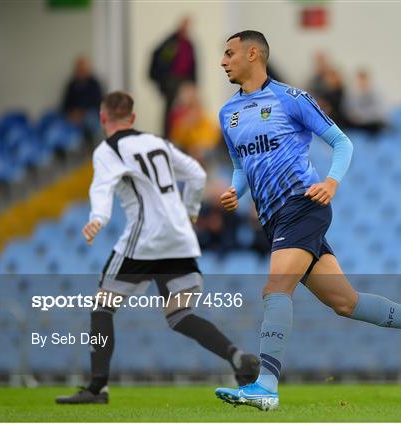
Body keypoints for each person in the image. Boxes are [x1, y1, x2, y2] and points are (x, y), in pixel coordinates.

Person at [214, 31, 401, 411]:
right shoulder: (227, 113)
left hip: (303, 205)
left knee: (275, 289)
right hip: (274, 219)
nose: (223, 61)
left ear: (254, 54)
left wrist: (331, 182)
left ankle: (265, 384)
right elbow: (241, 165)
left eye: (230, 53)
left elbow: (342, 142)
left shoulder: (291, 98)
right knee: (346, 303)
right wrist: (237, 191)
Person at [56, 91, 259, 404]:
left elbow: (102, 188)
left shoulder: (108, 149)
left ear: (103, 118)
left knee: (101, 307)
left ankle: (97, 388)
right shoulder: (158, 142)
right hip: (179, 237)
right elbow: (197, 173)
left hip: (145, 238)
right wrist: (191, 211)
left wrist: (98, 218)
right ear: (133, 118)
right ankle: (237, 357)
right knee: (179, 314)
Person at [149, 17, 197, 137]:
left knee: (187, 110)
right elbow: (160, 61)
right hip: (172, 81)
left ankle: (184, 136)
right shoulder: (171, 43)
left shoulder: (189, 44)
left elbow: (193, 65)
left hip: (185, 80)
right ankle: (168, 136)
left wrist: (193, 83)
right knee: (170, 111)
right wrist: (162, 80)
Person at [61, 55, 103, 136]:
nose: (81, 70)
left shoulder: (94, 84)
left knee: (91, 119)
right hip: (73, 118)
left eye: (83, 68)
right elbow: (65, 105)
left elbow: (98, 103)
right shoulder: (71, 85)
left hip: (90, 115)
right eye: (79, 68)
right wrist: (71, 114)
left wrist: (82, 114)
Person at [343, 68, 388, 136]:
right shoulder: (352, 93)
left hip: (373, 122)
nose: (362, 82)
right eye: (359, 80)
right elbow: (349, 110)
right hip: (358, 123)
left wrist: (364, 117)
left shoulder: (376, 92)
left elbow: (379, 110)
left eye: (363, 80)